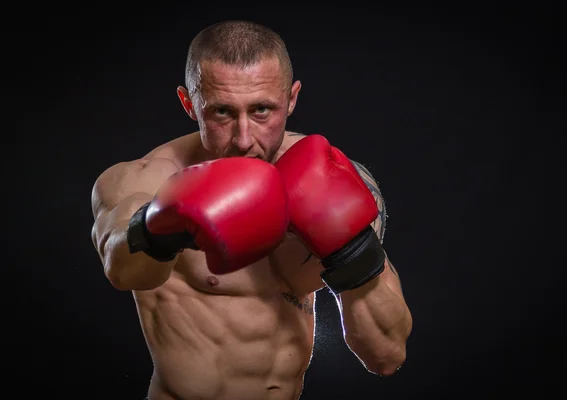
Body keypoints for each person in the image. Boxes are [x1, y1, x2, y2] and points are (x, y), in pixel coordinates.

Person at [90, 20, 413, 400]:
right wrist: (164, 222)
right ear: (189, 102)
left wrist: (351, 250)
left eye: (262, 110)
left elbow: (386, 355)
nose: (244, 139)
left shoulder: (340, 182)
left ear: (291, 99)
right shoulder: (147, 179)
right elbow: (120, 266)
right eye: (222, 112)